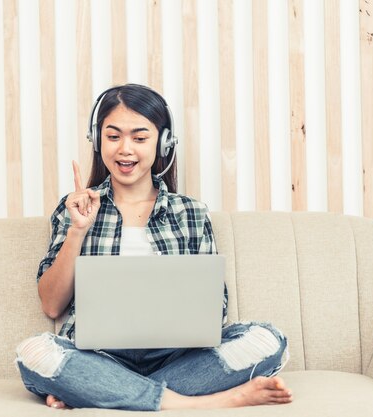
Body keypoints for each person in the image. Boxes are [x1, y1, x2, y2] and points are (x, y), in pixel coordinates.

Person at [15, 84, 292, 411]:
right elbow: (51, 305)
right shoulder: (75, 207)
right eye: (113, 136)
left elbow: (216, 310)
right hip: (100, 357)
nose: (125, 149)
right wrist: (78, 231)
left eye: (140, 137)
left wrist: (81, 386)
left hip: (178, 358)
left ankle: (104, 393)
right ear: (97, 139)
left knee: (267, 339)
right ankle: (200, 403)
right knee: (35, 352)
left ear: (163, 143)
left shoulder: (190, 212)